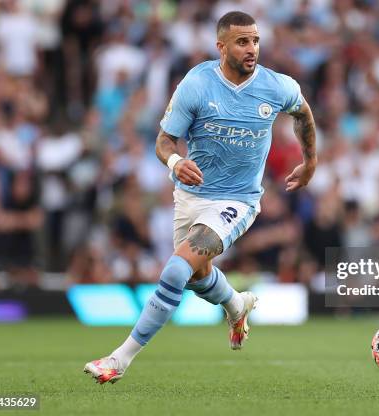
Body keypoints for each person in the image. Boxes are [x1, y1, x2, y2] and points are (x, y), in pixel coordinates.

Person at [84, 11, 317, 384]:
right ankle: (236, 304)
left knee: (176, 268)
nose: (252, 49)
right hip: (190, 197)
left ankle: (119, 360)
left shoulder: (277, 86)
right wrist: (176, 162)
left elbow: (302, 113)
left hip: (237, 200)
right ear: (221, 46)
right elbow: (164, 141)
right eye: (242, 42)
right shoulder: (196, 84)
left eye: (255, 40)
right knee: (194, 276)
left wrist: (310, 161)